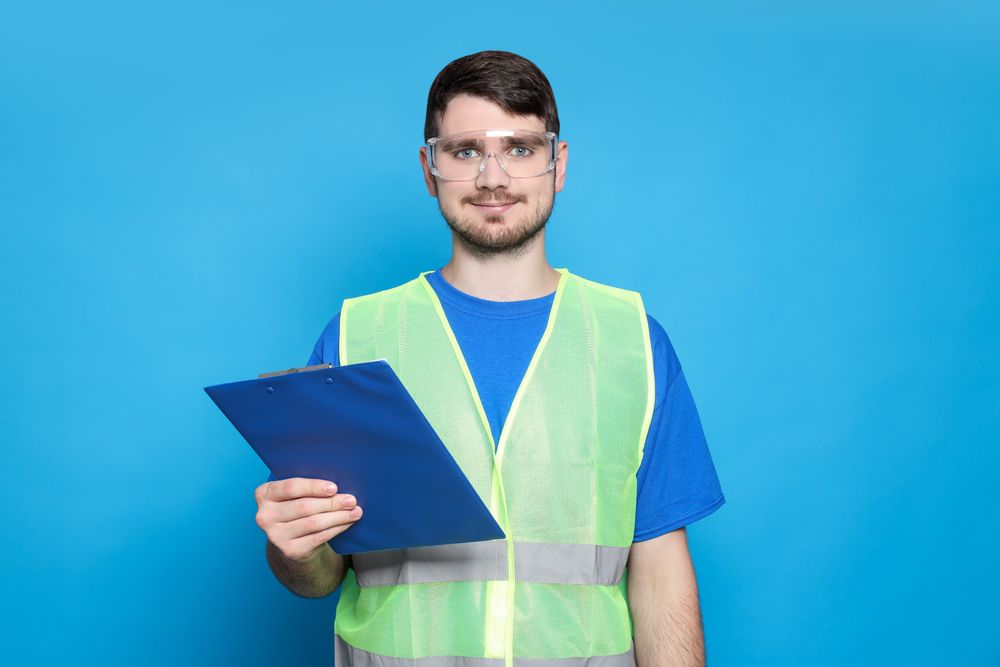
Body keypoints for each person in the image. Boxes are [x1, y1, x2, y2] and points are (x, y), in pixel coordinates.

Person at [253, 50, 725, 667]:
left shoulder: (631, 339)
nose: (493, 178)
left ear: (559, 164)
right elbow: (317, 577)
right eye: (466, 150)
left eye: (521, 149)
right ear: (430, 168)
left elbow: (661, 574)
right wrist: (293, 549)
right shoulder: (356, 336)